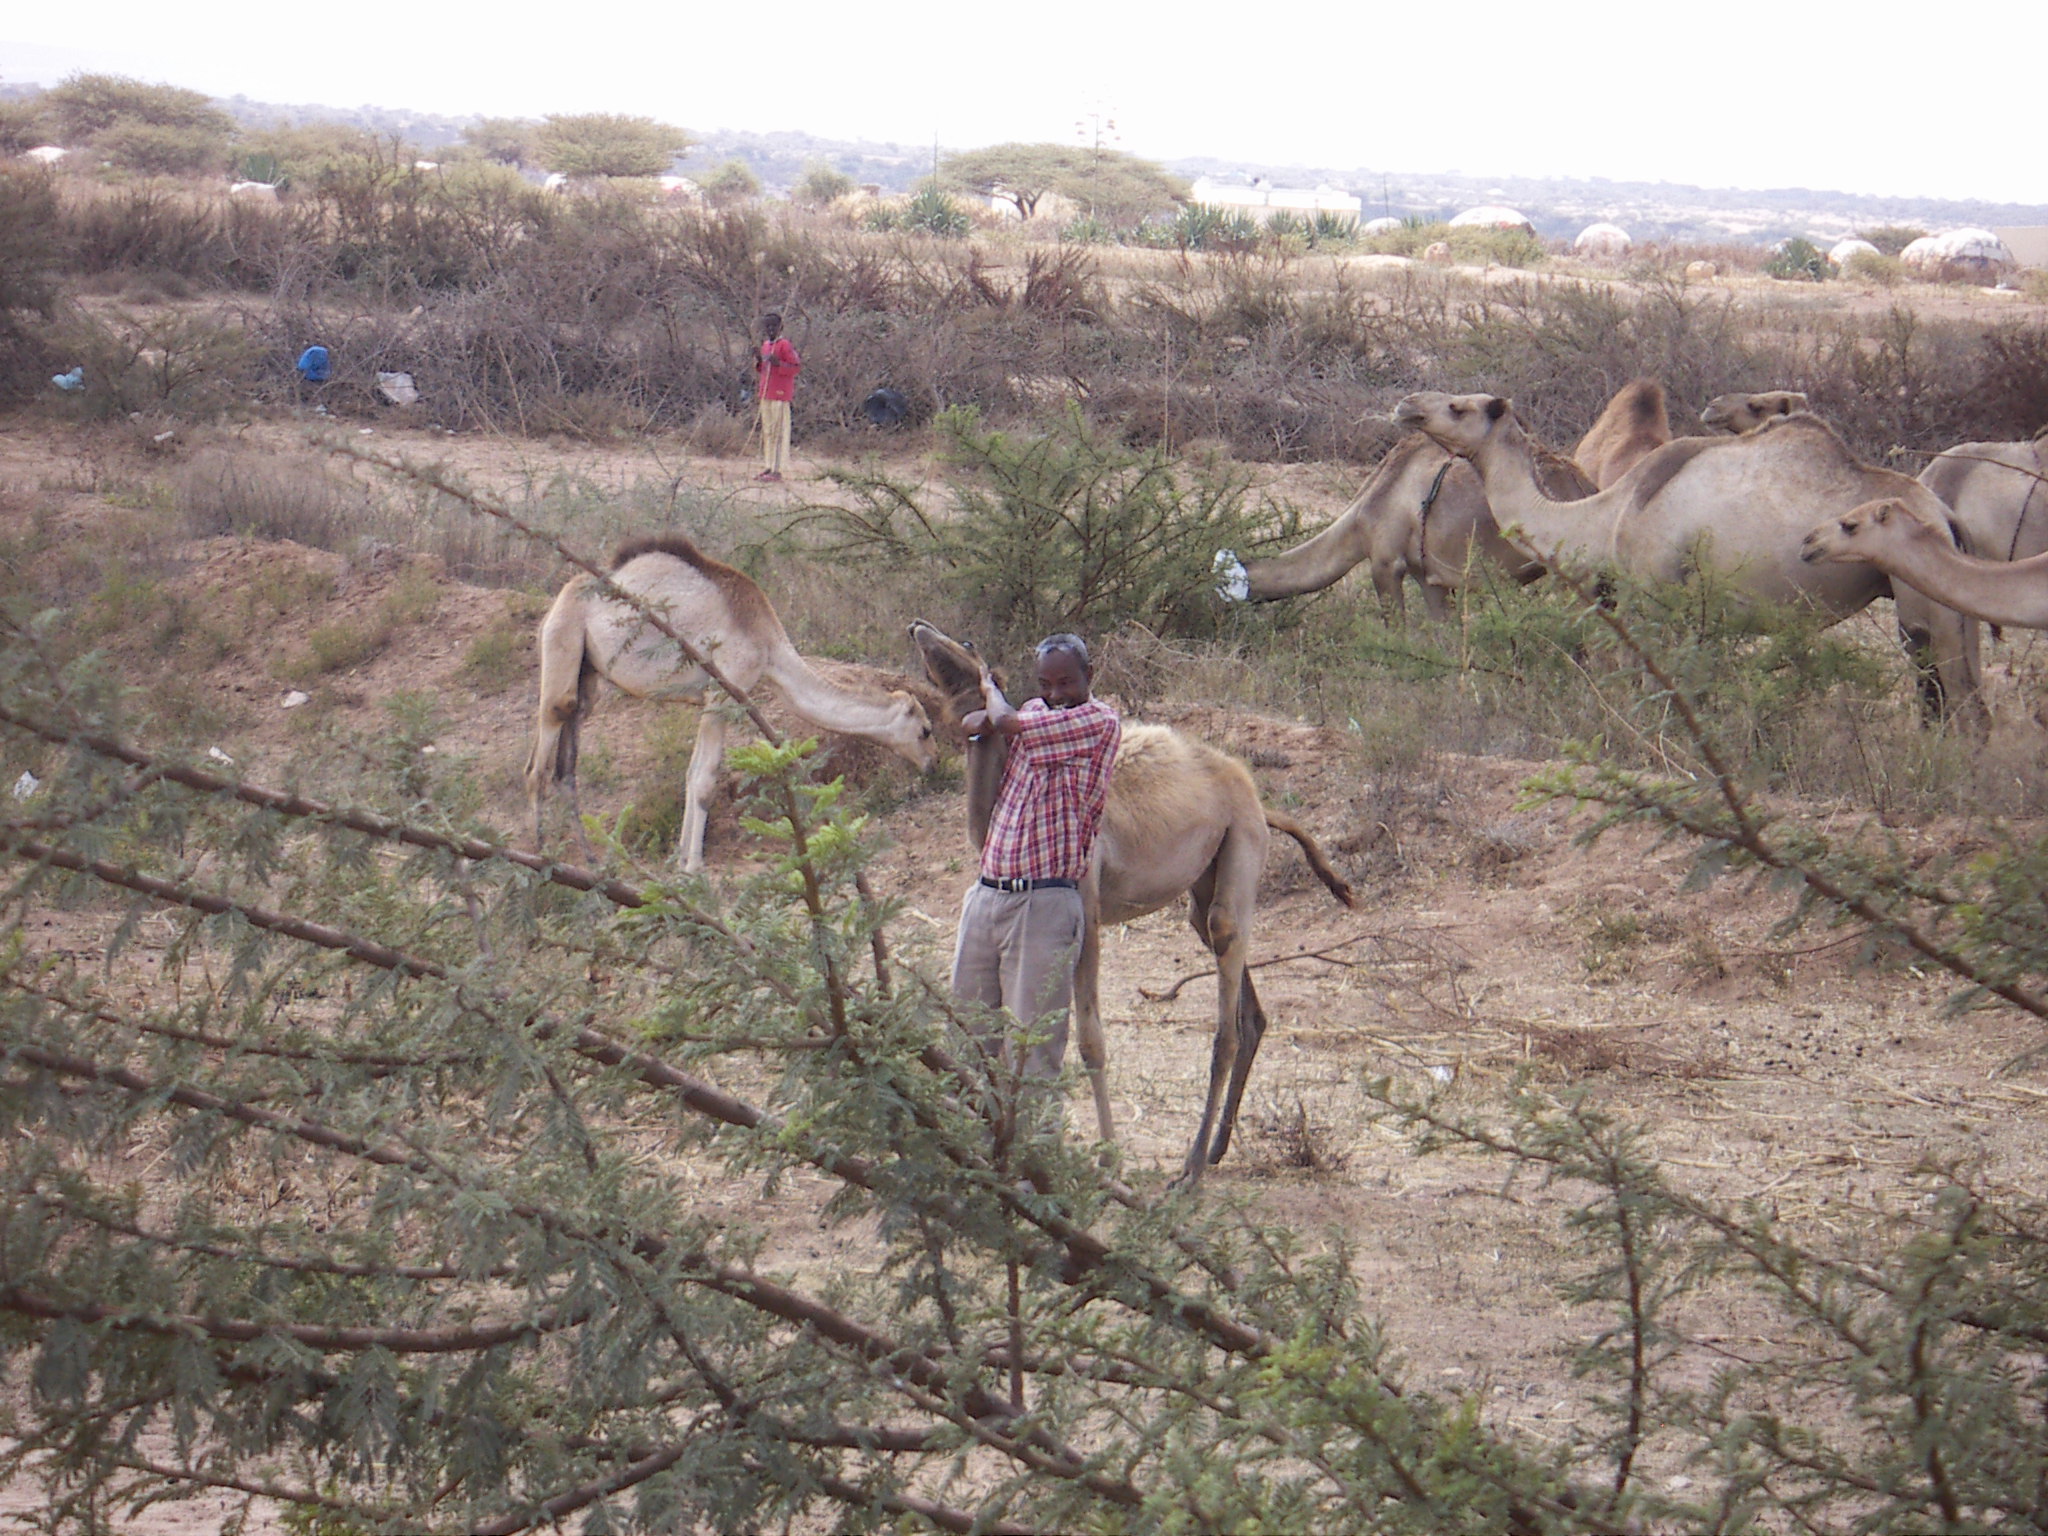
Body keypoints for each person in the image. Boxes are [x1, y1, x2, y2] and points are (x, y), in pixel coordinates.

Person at [951, 634, 1120, 1088]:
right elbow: (975, 724)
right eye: (1046, 684)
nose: (1056, 695)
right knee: (964, 1051)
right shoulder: (1035, 714)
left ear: (1090, 677)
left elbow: (999, 720)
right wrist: (990, 713)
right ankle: (971, 1155)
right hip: (987, 896)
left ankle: (1034, 1157)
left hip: (1043, 904)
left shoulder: (1096, 722)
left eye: (1066, 682)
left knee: (1032, 1058)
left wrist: (988, 686)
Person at [754, 313, 801, 482]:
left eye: (774, 327)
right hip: (766, 393)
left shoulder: (785, 345)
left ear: (781, 327)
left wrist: (779, 364)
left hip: (780, 395)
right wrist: (759, 360)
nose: (770, 330)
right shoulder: (766, 345)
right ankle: (768, 465)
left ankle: (778, 469)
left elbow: (795, 367)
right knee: (768, 431)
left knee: (780, 432)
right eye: (768, 327)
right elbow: (763, 370)